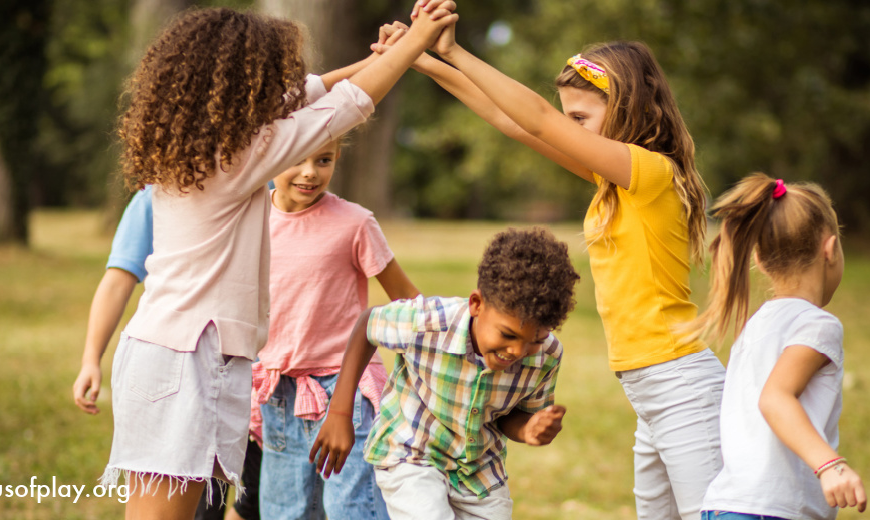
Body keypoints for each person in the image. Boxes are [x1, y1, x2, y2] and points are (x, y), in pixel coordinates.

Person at [97, 4, 457, 518]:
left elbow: (312, 93)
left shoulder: (202, 144)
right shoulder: (240, 156)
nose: (281, 92)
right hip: (187, 359)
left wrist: (375, 56)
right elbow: (348, 105)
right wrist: (415, 40)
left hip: (169, 350)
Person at [375, 7, 723, 518]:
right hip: (650, 385)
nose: (568, 128)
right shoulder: (616, 181)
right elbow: (513, 123)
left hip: (680, 382)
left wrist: (452, 49)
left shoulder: (647, 174)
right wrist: (420, 59)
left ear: (625, 108)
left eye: (580, 118)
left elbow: (536, 116)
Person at [310, 228, 580, 520]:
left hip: (479, 475)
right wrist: (339, 411)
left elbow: (511, 417)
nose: (518, 351)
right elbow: (368, 324)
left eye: (534, 340)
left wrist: (528, 429)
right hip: (412, 454)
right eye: (508, 334)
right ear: (477, 304)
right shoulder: (429, 323)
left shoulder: (547, 356)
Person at [243, 136, 419, 520]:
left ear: (338, 156)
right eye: (297, 158)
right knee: (284, 513)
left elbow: (408, 302)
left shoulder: (354, 223)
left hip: (346, 389)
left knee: (351, 512)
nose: (310, 172)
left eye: (323, 160)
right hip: (278, 392)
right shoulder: (247, 220)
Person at [682, 174, 866, 519]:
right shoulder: (818, 325)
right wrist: (829, 465)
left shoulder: (757, 325)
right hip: (773, 511)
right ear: (830, 250)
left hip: (724, 506)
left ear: (761, 261)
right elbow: (775, 397)